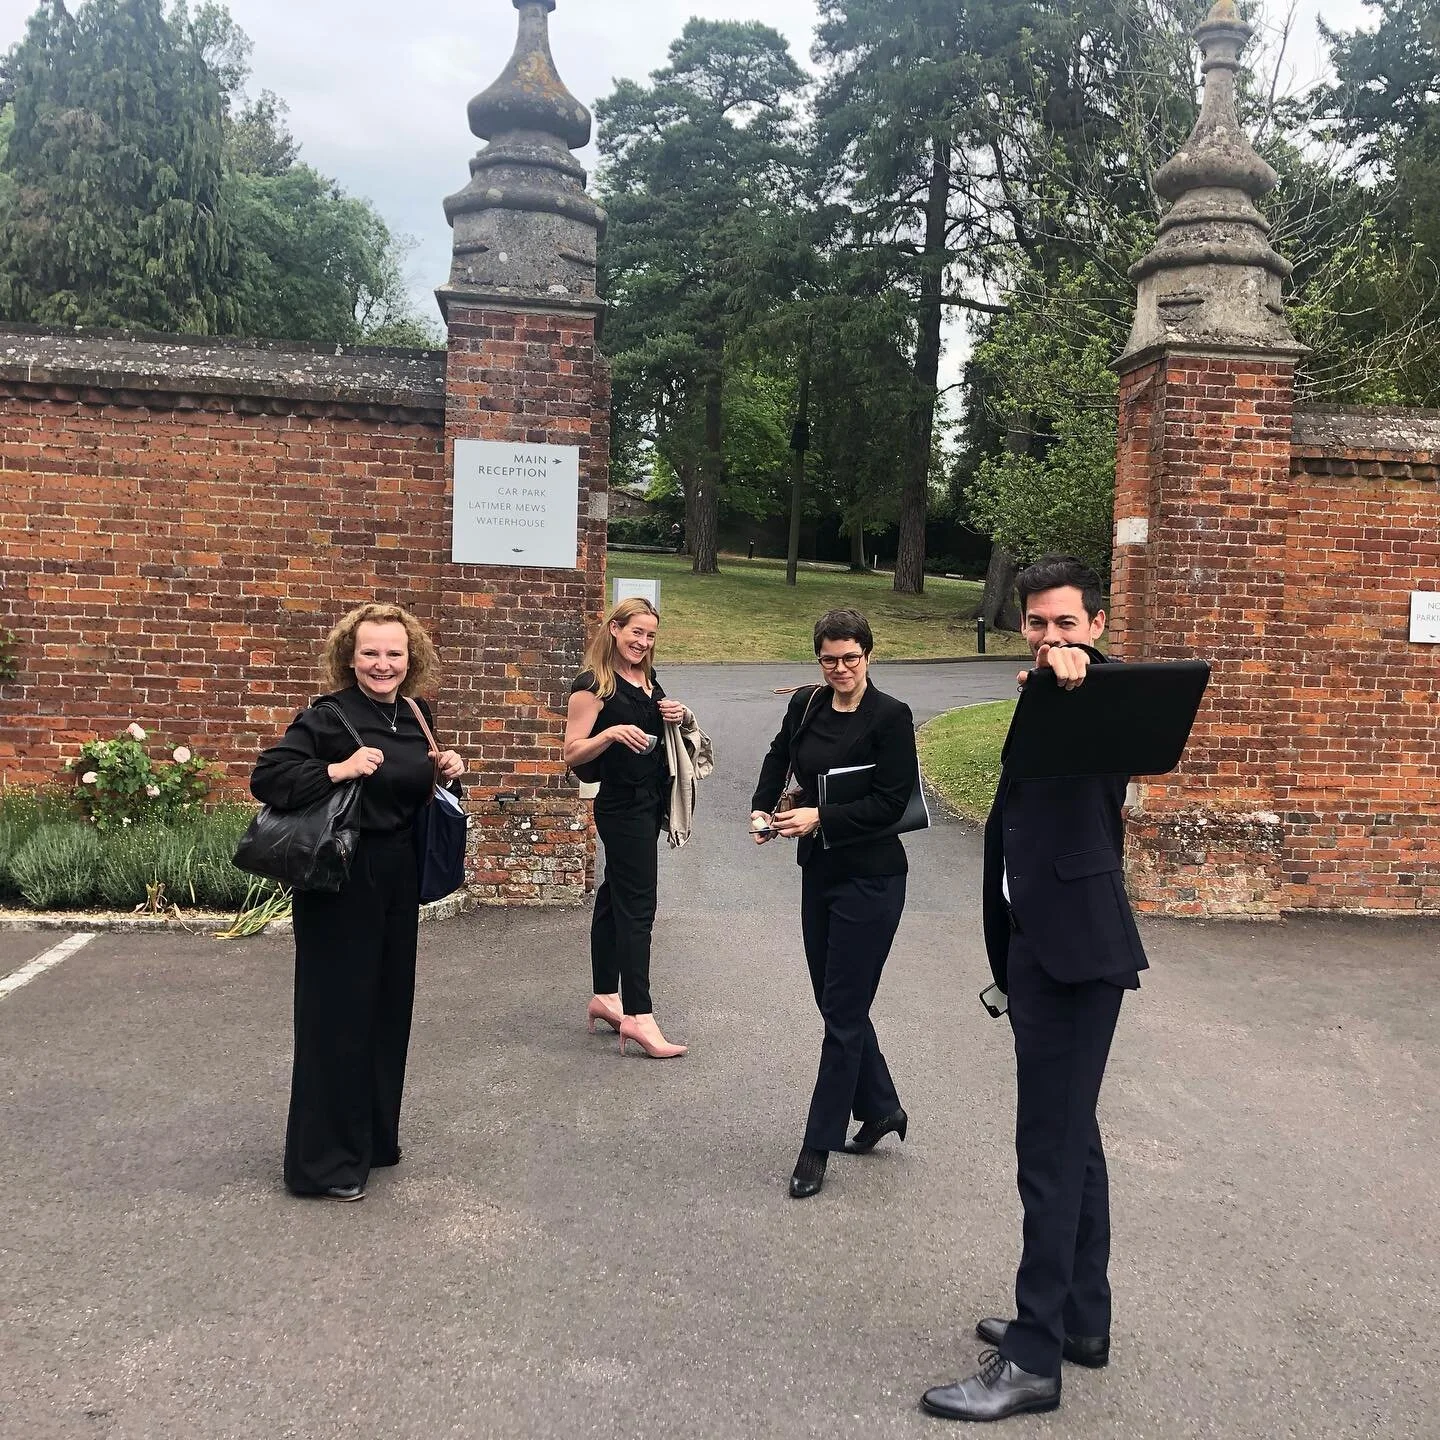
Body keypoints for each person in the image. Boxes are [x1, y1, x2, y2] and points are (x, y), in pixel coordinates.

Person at [922, 556, 1147, 1422]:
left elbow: (1136, 719)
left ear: (1096, 624)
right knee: (1073, 1140)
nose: (1051, 638)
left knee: (1046, 1156)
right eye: (1038, 624)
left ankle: (1032, 1358)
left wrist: (1087, 679)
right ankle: (1081, 1321)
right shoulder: (1039, 694)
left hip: (1076, 957)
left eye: (1067, 623)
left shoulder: (1110, 700)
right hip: (1035, 946)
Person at [250, 603, 464, 1202]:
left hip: (397, 876)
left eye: (394, 653)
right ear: (350, 656)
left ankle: (371, 1138)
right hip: (341, 878)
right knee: (336, 1015)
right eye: (370, 652)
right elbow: (268, 778)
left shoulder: (418, 715)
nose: (382, 664)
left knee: (387, 1007)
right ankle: (322, 1165)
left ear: (410, 657)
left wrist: (447, 768)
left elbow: (412, 785)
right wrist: (339, 769)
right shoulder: (326, 717)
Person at [750, 608, 917, 1200]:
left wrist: (821, 816)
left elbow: (893, 803)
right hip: (819, 873)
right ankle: (883, 1108)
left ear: (869, 656)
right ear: (818, 659)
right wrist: (762, 806)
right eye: (830, 659)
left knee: (843, 1014)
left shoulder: (891, 718)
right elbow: (777, 755)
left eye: (851, 658)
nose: (841, 668)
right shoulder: (807, 706)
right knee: (835, 1001)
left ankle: (816, 1147)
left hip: (872, 880)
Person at [564, 597, 690, 1059]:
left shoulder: (648, 678)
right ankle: (639, 1016)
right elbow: (572, 752)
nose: (642, 642)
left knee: (615, 895)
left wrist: (671, 713)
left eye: (650, 635)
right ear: (614, 629)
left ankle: (605, 995)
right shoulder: (592, 686)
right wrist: (609, 734)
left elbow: (653, 723)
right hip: (621, 808)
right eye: (635, 632)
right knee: (639, 909)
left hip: (649, 802)